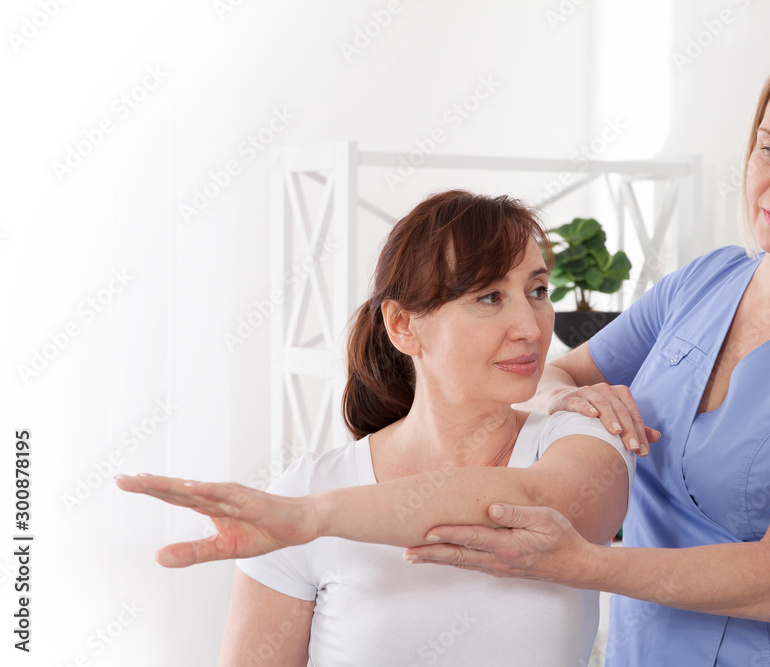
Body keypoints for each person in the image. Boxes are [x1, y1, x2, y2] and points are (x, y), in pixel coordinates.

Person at [403, 32, 770, 666]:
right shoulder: (705, 282)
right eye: (769, 149)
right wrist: (576, 400)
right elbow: (556, 375)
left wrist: (579, 564)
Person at [116, 190, 637, 666]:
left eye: (538, 290)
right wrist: (307, 515)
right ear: (403, 325)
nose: (530, 326)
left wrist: (313, 519)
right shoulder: (305, 491)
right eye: (488, 297)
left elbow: (540, 501)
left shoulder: (578, 438)